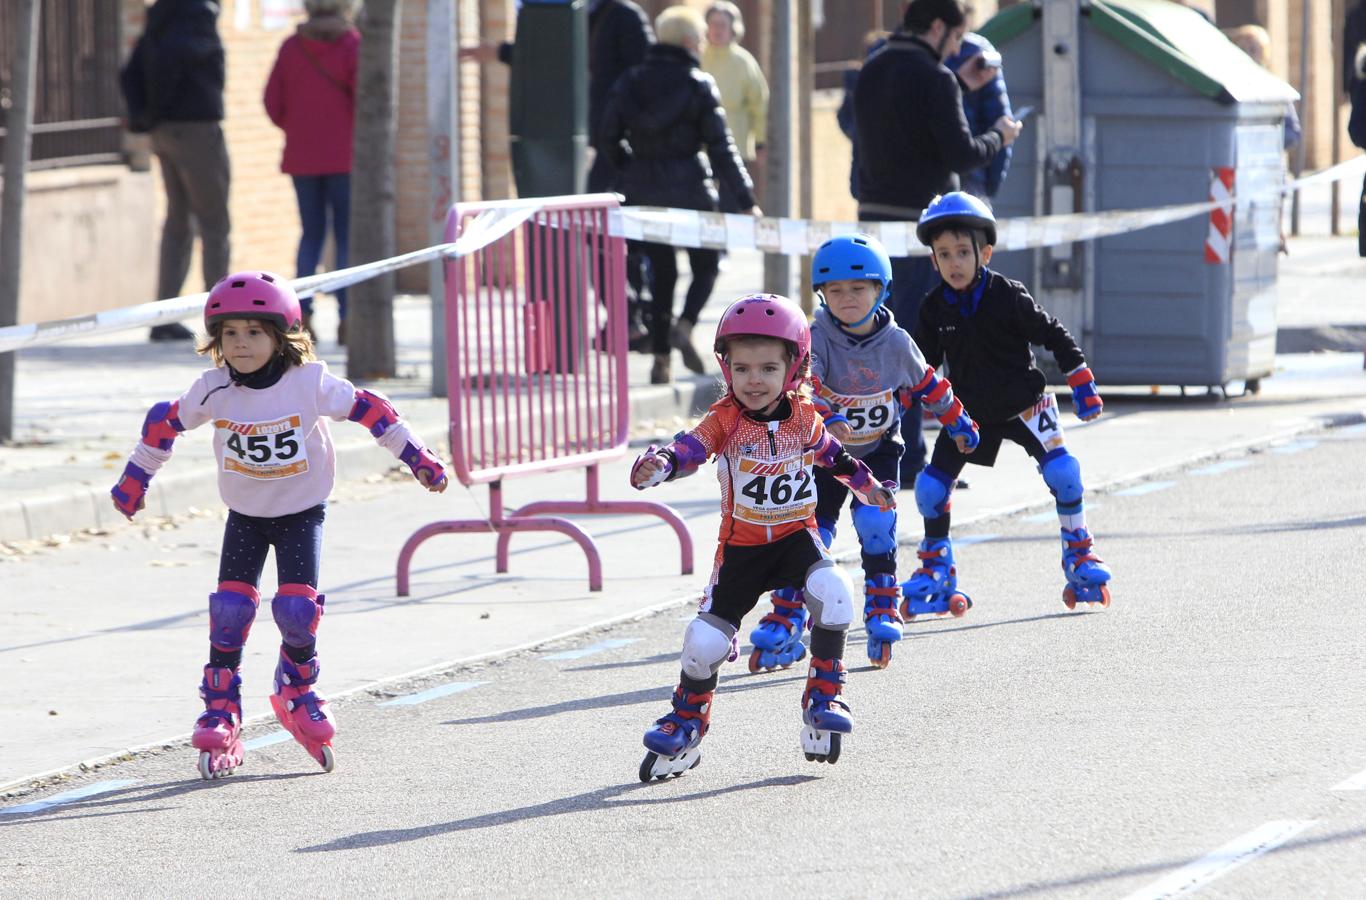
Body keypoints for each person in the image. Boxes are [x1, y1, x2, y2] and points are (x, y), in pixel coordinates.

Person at [108, 271, 448, 780]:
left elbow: (372, 410)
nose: (241, 344)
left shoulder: (307, 383)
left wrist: (416, 456)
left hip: (300, 511)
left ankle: (297, 685)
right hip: (245, 513)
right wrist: (135, 479)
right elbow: (164, 423)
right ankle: (222, 705)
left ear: (281, 335)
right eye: (230, 334)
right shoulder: (215, 388)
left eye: (254, 332)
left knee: (295, 607)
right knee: (229, 609)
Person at [629, 293, 895, 778]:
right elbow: (690, 449)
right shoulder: (725, 421)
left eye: (768, 368)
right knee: (704, 642)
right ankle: (687, 721)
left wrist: (870, 487)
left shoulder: (804, 418)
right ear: (725, 367)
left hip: (797, 538)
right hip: (742, 550)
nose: (754, 380)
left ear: (794, 369)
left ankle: (825, 691)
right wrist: (661, 464)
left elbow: (836, 459)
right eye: (742, 368)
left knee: (836, 593)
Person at [748, 233, 979, 671]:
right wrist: (826, 415)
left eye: (858, 289)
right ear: (821, 294)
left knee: (876, 522)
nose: (846, 298)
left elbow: (929, 383)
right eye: (834, 290)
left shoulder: (896, 343)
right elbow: (804, 385)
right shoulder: (817, 337)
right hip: (824, 454)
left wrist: (958, 421)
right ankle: (789, 609)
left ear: (881, 291)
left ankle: (881, 602)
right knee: (814, 534)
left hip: (878, 450)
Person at [906, 193, 1112, 619]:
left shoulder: (1007, 296)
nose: (954, 263)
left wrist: (1080, 380)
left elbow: (1052, 333)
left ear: (985, 253)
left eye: (963, 252)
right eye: (944, 255)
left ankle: (1079, 553)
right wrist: (898, 397)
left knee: (1064, 473)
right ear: (933, 261)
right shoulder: (933, 308)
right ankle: (937, 566)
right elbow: (918, 362)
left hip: (1024, 405)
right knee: (929, 489)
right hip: (968, 412)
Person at [852, 0, 1021, 489]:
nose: (956, 49)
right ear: (941, 26)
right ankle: (910, 462)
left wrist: (958, 83)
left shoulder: (874, 67)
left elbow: (903, 122)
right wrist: (1001, 135)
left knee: (884, 337)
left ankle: (888, 455)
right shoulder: (935, 78)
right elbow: (961, 151)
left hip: (875, 220)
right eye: (954, 38)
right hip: (925, 224)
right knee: (919, 345)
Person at [597, 5, 759, 384]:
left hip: (644, 191)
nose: (703, 43)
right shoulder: (698, 84)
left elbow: (607, 136)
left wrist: (630, 167)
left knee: (661, 274)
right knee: (708, 263)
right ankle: (684, 326)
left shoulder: (630, 81)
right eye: (700, 37)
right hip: (692, 192)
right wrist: (746, 198)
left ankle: (661, 358)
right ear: (688, 41)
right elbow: (721, 148)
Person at [119, 0, 232, 343]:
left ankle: (165, 316)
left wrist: (148, 117)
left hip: (165, 132)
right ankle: (225, 317)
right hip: (194, 128)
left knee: (178, 223)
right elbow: (172, 63)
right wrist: (155, 110)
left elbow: (130, 72)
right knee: (215, 225)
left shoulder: (163, 13)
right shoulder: (196, 13)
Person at [264, 0, 360, 345]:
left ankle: (302, 315)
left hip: (303, 157)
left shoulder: (292, 47)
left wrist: (299, 129)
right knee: (347, 236)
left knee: (312, 235)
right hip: (346, 158)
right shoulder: (353, 46)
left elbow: (272, 102)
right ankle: (349, 318)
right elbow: (369, 102)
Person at [701, 1, 769, 212]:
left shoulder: (744, 61)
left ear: (733, 29)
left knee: (731, 202)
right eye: (713, 24)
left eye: (722, 24)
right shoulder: (698, 57)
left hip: (734, 143)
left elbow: (759, 104)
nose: (718, 30)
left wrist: (759, 141)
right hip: (701, 145)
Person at [944, 33, 1013, 204]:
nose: (955, 50)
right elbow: (998, 120)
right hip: (970, 180)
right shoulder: (975, 51)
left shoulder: (888, 53)